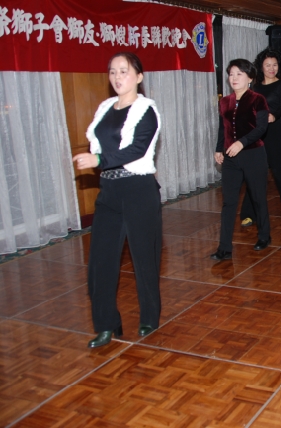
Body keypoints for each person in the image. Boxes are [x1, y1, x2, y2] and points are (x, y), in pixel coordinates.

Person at [73, 52, 162, 348]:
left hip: (138, 190)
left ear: (138, 76)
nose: (117, 77)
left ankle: (149, 316)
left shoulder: (147, 110)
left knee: (144, 258)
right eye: (112, 71)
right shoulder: (105, 108)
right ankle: (106, 325)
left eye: (124, 71)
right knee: (100, 262)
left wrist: (98, 159)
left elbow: (136, 149)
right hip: (109, 191)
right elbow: (99, 143)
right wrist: (97, 158)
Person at [211, 59, 271, 261]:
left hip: (253, 155)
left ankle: (264, 236)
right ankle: (224, 248)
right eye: (231, 74)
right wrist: (219, 149)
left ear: (250, 77)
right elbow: (223, 128)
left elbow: (261, 128)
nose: (234, 78)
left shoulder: (257, 99)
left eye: (239, 74)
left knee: (258, 197)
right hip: (231, 158)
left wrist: (242, 143)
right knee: (228, 202)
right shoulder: (224, 101)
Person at [240, 48, 281, 226]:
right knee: (254, 172)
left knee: (279, 170)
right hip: (257, 132)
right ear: (261, 67)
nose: (272, 68)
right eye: (268, 65)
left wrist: (272, 115)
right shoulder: (255, 87)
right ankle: (248, 213)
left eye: (275, 65)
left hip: (274, 132)